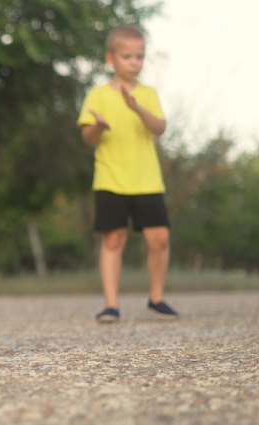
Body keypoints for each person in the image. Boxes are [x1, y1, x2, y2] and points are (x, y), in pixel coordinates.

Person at [77, 25, 179, 323]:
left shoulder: (148, 94)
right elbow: (87, 137)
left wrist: (137, 109)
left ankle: (157, 298)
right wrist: (99, 127)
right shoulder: (97, 95)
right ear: (111, 59)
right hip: (110, 179)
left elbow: (160, 128)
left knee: (159, 238)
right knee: (113, 239)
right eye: (127, 56)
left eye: (140, 56)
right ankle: (111, 305)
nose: (134, 62)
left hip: (146, 178)